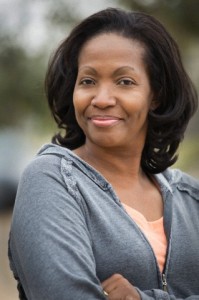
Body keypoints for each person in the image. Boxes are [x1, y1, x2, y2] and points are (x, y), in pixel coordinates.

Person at [8, 7, 199, 300]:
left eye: (125, 82)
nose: (102, 99)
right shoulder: (51, 181)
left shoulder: (191, 197)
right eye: (88, 81)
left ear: (156, 95)